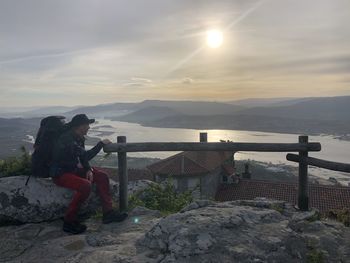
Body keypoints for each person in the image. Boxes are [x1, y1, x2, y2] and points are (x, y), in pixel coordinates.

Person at [50, 114, 127, 234]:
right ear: (79, 126)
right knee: (85, 185)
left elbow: (82, 157)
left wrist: (88, 169)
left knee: (102, 176)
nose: (88, 128)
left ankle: (108, 213)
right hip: (61, 174)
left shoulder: (78, 137)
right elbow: (86, 155)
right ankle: (69, 221)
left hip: (73, 170)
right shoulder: (67, 139)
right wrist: (100, 144)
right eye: (86, 125)